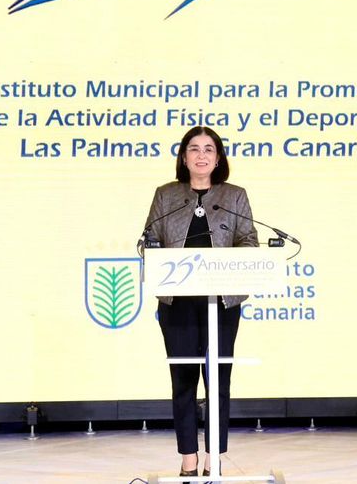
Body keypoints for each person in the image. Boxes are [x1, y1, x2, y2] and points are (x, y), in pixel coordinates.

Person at [143, 126, 257, 478]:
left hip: (222, 301)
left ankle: (215, 458)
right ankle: (189, 459)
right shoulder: (166, 195)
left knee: (218, 380)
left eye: (209, 149)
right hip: (178, 302)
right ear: (183, 157)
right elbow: (149, 240)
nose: (202, 155)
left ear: (219, 158)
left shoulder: (234, 195)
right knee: (183, 380)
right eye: (194, 149)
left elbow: (249, 242)